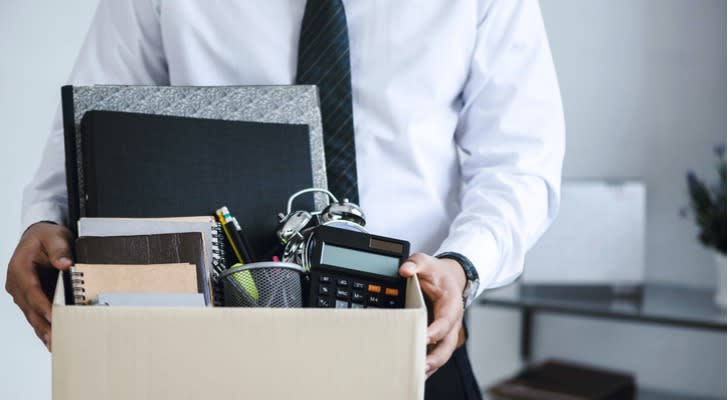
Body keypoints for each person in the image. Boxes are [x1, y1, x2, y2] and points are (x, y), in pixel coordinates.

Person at [6, 1, 564, 398]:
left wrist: (465, 265)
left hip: (411, 340)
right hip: (202, 350)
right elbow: (94, 119)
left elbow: (520, 160)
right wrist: (46, 218)